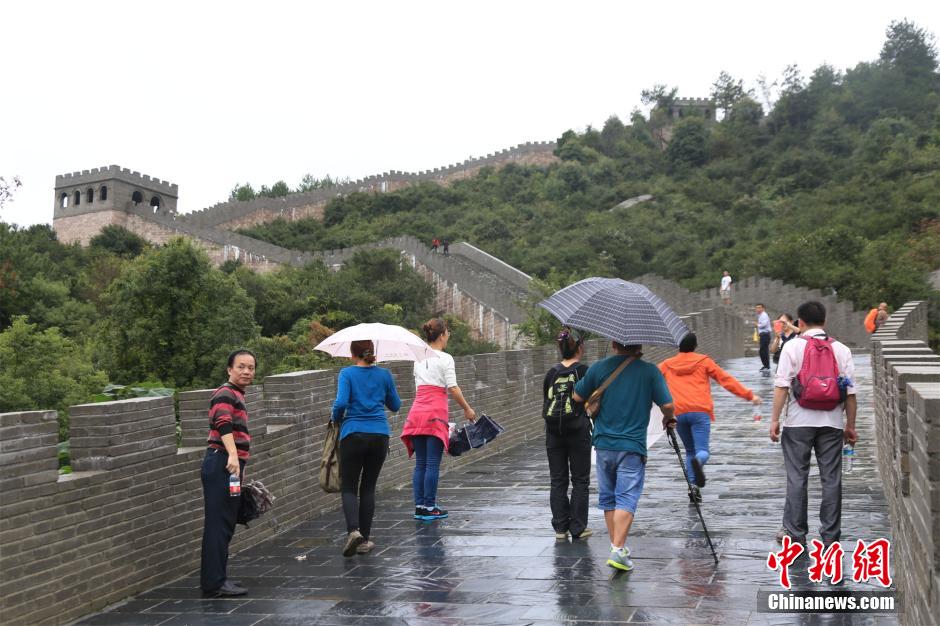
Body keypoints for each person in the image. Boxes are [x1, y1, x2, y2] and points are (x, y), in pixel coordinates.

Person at [572, 342, 675, 572]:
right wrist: (669, 417)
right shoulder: (649, 371)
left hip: (603, 444)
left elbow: (577, 396)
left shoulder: (598, 368)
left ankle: (616, 548)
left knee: (609, 498)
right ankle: (618, 550)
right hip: (632, 446)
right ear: (639, 344)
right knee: (627, 498)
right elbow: (667, 404)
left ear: (613, 343)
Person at [770, 301, 857, 547]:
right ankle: (830, 536)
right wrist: (850, 425)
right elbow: (850, 394)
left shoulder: (792, 347)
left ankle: (796, 534)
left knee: (797, 477)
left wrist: (775, 420)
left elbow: (782, 387)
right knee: (831, 479)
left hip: (798, 423)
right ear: (824, 322)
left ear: (800, 322)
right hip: (831, 422)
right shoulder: (841, 349)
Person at [659, 333, 761, 503]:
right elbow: (726, 380)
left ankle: (693, 487)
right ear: (695, 345)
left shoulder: (667, 365)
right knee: (702, 451)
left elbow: (651, 380)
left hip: (679, 412)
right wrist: (749, 396)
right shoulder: (703, 361)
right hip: (700, 411)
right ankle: (698, 464)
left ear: (678, 346)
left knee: (690, 451)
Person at [332, 339, 402, 556]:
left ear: (353, 354)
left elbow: (341, 403)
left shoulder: (347, 373)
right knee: (368, 487)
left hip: (353, 434)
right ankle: (364, 541)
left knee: (349, 487)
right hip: (379, 435)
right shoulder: (384, 375)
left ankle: (353, 531)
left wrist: (336, 419)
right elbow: (396, 405)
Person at [401, 318, 476, 521]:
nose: (448, 337)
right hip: (435, 415)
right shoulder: (445, 358)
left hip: (416, 414)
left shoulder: (418, 359)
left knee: (421, 464)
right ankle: (430, 506)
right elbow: (452, 388)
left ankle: (420, 506)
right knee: (433, 463)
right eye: (448, 334)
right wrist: (468, 409)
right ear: (442, 335)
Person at [201, 349, 256, 597]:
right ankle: (213, 583)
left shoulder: (237, 394)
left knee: (226, 522)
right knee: (218, 524)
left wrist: (238, 465)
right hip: (222, 463)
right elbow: (222, 423)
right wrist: (233, 455)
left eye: (251, 368)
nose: (246, 371)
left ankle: (219, 578)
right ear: (229, 369)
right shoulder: (224, 392)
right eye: (241, 366)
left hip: (232, 469)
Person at [542, 328, 592, 541]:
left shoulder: (551, 373)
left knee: (558, 479)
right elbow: (590, 400)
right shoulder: (584, 371)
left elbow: (546, 400)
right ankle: (578, 527)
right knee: (580, 479)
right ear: (580, 348)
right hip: (578, 429)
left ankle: (560, 529)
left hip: (554, 432)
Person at [756, 304, 772, 372]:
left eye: (759, 308)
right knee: (763, 351)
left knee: (763, 351)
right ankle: (765, 366)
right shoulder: (761, 315)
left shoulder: (764, 315)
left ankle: (766, 366)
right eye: (756, 308)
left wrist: (757, 325)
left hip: (765, 334)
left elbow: (764, 325)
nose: (758, 309)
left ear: (763, 308)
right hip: (763, 335)